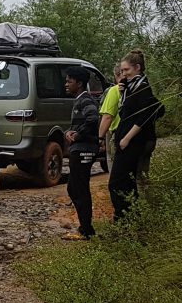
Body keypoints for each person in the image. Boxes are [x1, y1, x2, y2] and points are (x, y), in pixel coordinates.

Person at [108, 49, 164, 221]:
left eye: (126, 70)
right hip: (126, 139)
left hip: (132, 142)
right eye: (122, 71)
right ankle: (131, 218)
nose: (123, 74)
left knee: (117, 182)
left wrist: (127, 138)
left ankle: (124, 218)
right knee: (128, 182)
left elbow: (147, 114)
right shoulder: (131, 87)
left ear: (137, 68)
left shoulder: (143, 88)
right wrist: (123, 89)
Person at [62, 66, 100, 240]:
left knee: (80, 189)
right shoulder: (79, 100)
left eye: (69, 81)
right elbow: (84, 122)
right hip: (79, 148)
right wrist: (70, 131)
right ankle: (84, 226)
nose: (66, 84)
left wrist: (78, 135)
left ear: (79, 83)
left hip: (84, 150)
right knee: (73, 187)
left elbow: (93, 119)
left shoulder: (86, 100)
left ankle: (86, 230)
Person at [97, 63, 122, 171]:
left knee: (114, 166)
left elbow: (107, 116)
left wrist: (100, 138)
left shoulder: (114, 90)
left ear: (116, 76)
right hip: (138, 133)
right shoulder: (139, 88)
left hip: (116, 132)